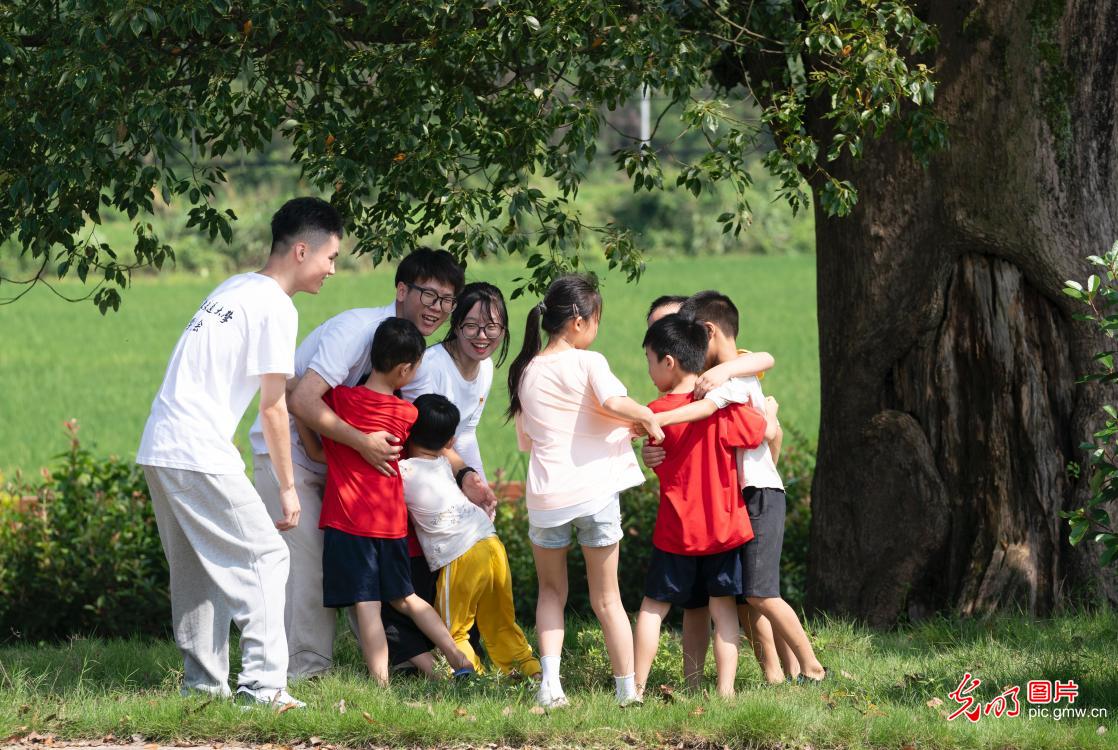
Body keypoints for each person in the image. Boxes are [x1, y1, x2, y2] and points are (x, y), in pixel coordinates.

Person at [249, 248, 493, 679]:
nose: (437, 308)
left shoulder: (407, 354)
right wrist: (363, 443)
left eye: (447, 300)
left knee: (356, 587)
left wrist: (465, 474)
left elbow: (424, 434)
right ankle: (308, 673)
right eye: (429, 295)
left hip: (342, 466)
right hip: (290, 449)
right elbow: (302, 400)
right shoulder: (356, 331)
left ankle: (378, 668)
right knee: (309, 569)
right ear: (402, 290)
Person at [137, 196, 342, 708]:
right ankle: (265, 685)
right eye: (331, 257)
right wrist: (289, 488)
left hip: (162, 446)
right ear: (301, 251)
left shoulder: (232, 288)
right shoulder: (276, 305)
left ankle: (202, 688)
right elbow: (274, 407)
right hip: (198, 450)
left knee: (199, 571)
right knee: (268, 557)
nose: (333, 269)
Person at [651, 291, 826, 685]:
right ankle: (779, 675)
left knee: (761, 591)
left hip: (757, 494)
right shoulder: (724, 376)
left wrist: (654, 419)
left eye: (695, 338)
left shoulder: (731, 375)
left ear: (709, 331)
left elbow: (760, 364)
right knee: (749, 593)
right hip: (737, 496)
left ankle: (810, 666)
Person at [507, 274, 664, 708]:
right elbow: (613, 404)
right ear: (578, 321)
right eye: (596, 319)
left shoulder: (527, 372)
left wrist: (618, 425)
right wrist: (647, 418)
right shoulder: (589, 361)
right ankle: (627, 693)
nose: (597, 327)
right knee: (607, 597)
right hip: (594, 494)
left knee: (551, 593)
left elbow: (533, 439)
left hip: (547, 498)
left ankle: (551, 686)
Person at [299, 318, 475, 686]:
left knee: (367, 606)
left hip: (349, 523)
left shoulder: (340, 401)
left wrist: (295, 403)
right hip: (392, 524)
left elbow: (311, 431)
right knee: (406, 597)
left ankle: (381, 686)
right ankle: (457, 658)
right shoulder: (406, 414)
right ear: (405, 370)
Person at [633, 314, 771, 698]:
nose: (649, 371)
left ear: (668, 362)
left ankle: (637, 689)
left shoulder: (656, 411)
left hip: (677, 530)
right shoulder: (724, 408)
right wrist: (768, 411)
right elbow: (761, 431)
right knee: (723, 611)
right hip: (724, 530)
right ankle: (725, 692)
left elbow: (651, 453)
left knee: (653, 608)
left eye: (649, 361)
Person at [385, 281, 510, 675]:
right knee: (421, 569)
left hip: (444, 471)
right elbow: (422, 436)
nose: (482, 336)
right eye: (472, 325)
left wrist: (475, 479)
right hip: (411, 476)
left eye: (492, 326)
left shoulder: (485, 369)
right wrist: (464, 474)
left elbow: (466, 432)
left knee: (460, 563)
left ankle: (462, 653)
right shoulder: (431, 367)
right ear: (455, 325)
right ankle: (430, 656)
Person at [399, 394, 541, 677]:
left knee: (453, 628)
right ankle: (528, 669)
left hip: (461, 554)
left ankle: (470, 679)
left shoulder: (402, 472)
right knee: (501, 618)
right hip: (491, 543)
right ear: (450, 443)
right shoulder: (444, 465)